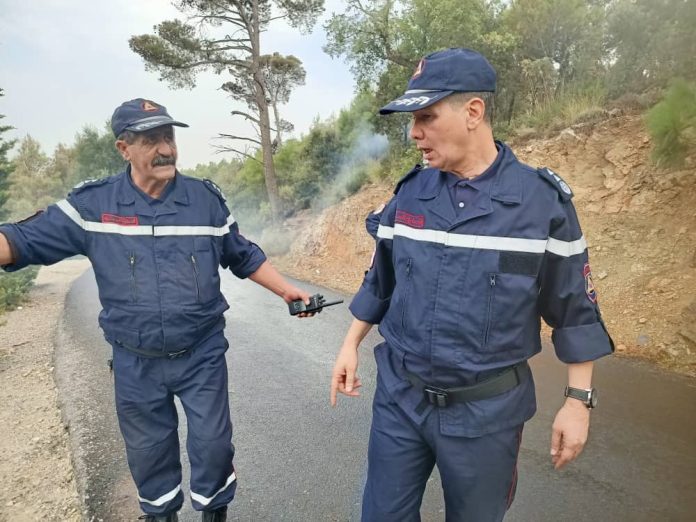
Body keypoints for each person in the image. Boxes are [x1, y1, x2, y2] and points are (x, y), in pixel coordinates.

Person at [330, 48, 613, 521]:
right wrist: (349, 344)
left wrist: (578, 402)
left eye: (426, 116)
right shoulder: (410, 194)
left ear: (473, 112)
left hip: (487, 414)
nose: (414, 132)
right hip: (401, 399)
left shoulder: (541, 205)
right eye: (412, 120)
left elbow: (574, 310)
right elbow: (382, 279)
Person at [0, 98, 314, 522]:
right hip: (136, 363)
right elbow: (21, 240)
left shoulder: (205, 201)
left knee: (214, 448)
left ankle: (213, 513)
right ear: (123, 148)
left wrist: (286, 290)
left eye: (168, 137)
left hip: (201, 356)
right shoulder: (94, 206)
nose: (165, 149)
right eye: (151, 140)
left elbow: (242, 254)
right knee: (150, 458)